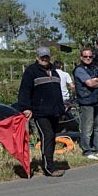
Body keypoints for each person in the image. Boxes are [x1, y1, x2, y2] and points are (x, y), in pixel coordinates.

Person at [18, 46, 66, 176]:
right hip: (40, 112)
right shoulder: (31, 71)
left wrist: (61, 110)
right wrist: (25, 107)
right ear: (37, 57)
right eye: (42, 57)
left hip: (54, 111)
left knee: (52, 138)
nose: (44, 59)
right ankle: (48, 167)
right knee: (47, 136)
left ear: (50, 57)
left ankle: (50, 163)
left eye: (46, 56)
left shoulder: (54, 71)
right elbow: (24, 91)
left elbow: (58, 93)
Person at [73, 46, 98, 160]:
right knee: (87, 128)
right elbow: (89, 83)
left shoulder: (94, 68)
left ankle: (97, 149)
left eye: (90, 56)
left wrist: (96, 81)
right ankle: (87, 150)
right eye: (85, 56)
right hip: (86, 102)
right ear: (81, 57)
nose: (88, 58)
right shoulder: (79, 70)